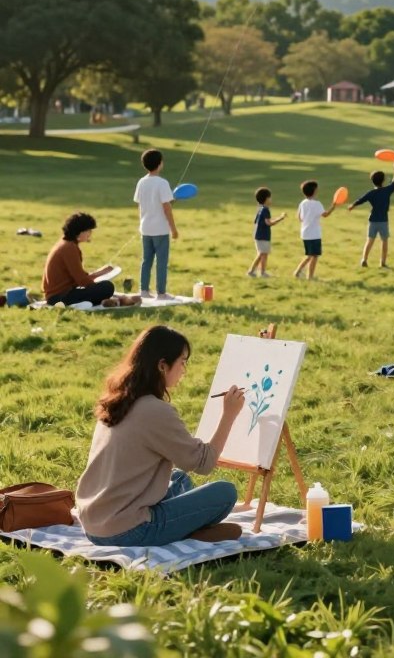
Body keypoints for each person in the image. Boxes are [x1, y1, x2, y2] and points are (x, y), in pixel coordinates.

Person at [76, 325, 247, 546]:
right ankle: (185, 532)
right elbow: (204, 463)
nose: (184, 370)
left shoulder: (118, 399)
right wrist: (229, 415)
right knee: (225, 492)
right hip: (128, 529)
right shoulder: (155, 410)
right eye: (182, 362)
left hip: (93, 520)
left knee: (179, 479)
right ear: (162, 365)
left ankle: (183, 529)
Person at [42, 212, 140, 308]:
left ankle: (90, 301)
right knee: (107, 287)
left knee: (102, 288)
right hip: (60, 297)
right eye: (88, 231)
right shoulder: (69, 248)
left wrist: (101, 272)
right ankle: (78, 304)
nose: (90, 234)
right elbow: (82, 281)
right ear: (80, 231)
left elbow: (79, 277)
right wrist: (99, 280)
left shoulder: (65, 244)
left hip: (57, 295)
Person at [133, 148, 178, 300]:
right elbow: (167, 208)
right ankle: (161, 293)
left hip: (145, 228)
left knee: (146, 261)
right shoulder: (162, 183)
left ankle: (144, 291)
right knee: (161, 261)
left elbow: (141, 205)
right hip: (160, 229)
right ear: (159, 164)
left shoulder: (141, 182)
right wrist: (174, 229)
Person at [348, 161, 394, 268]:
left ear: (372, 181)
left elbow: (360, 200)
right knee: (384, 241)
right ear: (384, 180)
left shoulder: (371, 193)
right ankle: (383, 262)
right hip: (383, 221)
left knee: (370, 240)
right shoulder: (387, 190)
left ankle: (364, 259)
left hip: (372, 220)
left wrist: (352, 205)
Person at [293, 180, 336, 280]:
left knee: (309, 255)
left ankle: (297, 272)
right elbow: (325, 215)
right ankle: (310, 277)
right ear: (314, 191)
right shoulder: (317, 204)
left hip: (305, 233)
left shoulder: (302, 203)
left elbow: (299, 217)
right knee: (314, 256)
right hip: (314, 234)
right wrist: (333, 206)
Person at [247, 187, 286, 278]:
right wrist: (281, 218)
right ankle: (260, 272)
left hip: (258, 235)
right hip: (263, 236)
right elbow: (269, 223)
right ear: (266, 199)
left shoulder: (260, 208)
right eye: (270, 197)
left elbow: (256, 221)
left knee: (262, 254)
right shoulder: (265, 210)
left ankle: (255, 271)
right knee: (263, 254)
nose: (271, 199)